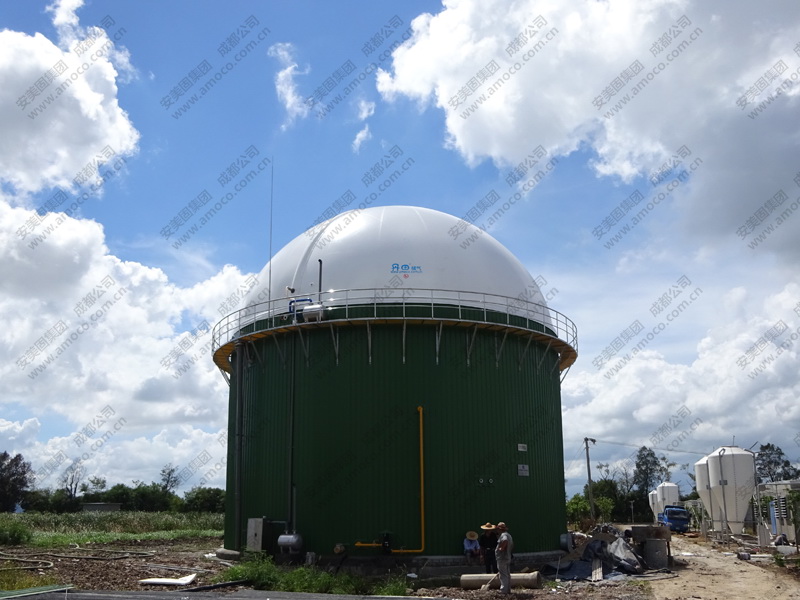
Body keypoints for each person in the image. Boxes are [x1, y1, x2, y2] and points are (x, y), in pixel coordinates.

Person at [494, 521, 513, 595]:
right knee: (507, 574)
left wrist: (501, 548)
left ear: (499, 529)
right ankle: (508, 590)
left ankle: (503, 590)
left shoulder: (503, 535)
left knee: (503, 575)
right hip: (507, 557)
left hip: (502, 558)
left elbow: (505, 540)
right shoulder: (509, 535)